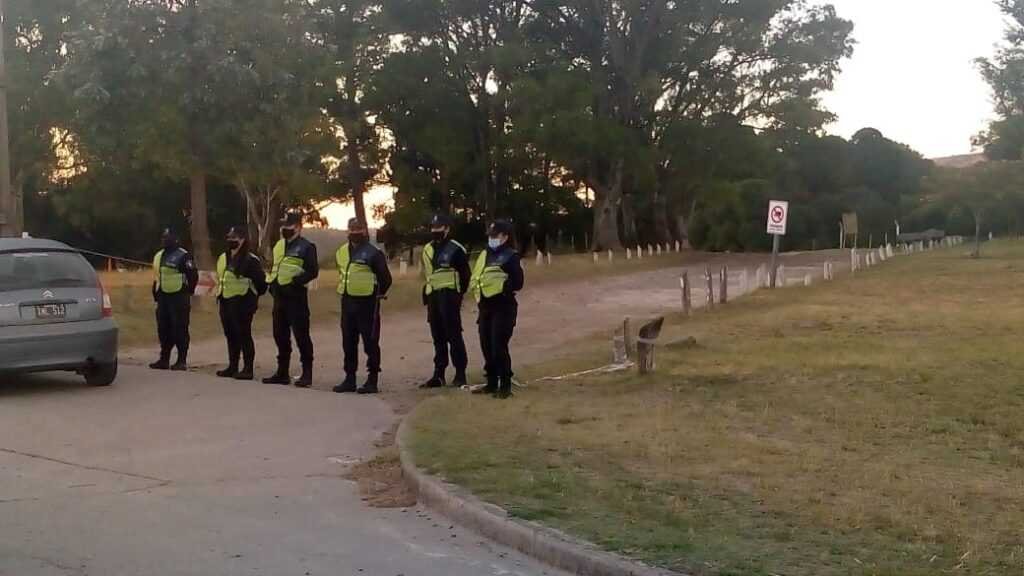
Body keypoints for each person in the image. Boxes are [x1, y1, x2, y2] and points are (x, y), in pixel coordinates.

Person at [333, 218, 392, 395]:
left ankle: (372, 379)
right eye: (352, 229)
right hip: (347, 301)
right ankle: (349, 378)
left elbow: (386, 279)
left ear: (365, 231)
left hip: (368, 303)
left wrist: (377, 293)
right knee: (348, 341)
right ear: (347, 231)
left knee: (370, 342)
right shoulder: (341, 252)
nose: (355, 232)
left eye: (358, 229)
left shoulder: (373, 253)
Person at [263, 211, 319, 388]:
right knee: (280, 335)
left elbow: (313, 271)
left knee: (301, 335)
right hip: (279, 297)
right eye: (284, 226)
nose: (285, 229)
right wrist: (272, 285)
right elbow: (276, 267)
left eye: (289, 226)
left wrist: (297, 281)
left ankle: (307, 373)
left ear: (298, 227)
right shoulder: (279, 245)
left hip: (296, 297)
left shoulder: (307, 247)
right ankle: (282, 372)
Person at [470, 220, 524, 399]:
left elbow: (518, 282)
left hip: (503, 306)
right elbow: (476, 277)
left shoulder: (511, 256)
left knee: (498, 346)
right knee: (485, 344)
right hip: (485, 307)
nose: (492, 239)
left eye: (496, 236)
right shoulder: (485, 254)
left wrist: (502, 288)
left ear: (505, 237)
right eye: (490, 236)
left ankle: (505, 385)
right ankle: (491, 382)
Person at [419, 213, 470, 389]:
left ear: (447, 229)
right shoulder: (427, 249)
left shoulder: (456, 249)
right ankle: (438, 375)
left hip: (449, 297)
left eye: (439, 228)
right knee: (437, 337)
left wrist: (458, 296)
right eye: (433, 228)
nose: (435, 231)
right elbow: (428, 274)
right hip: (433, 297)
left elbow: (465, 276)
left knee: (454, 336)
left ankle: (460, 374)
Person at [215, 226, 268, 381]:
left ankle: (248, 368)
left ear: (243, 240)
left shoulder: (250, 260)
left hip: (243, 302)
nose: (231, 240)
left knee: (244, 334)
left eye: (235, 238)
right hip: (225, 300)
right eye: (229, 237)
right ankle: (233, 366)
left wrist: (252, 298)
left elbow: (261, 284)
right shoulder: (223, 257)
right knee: (230, 334)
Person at [149, 227, 199, 371]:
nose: (165, 240)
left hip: (179, 296)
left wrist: (188, 291)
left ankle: (181, 360)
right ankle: (164, 359)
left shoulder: (184, 255)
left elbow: (193, 276)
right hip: (163, 296)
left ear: (176, 239)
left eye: (168, 237)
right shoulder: (159, 255)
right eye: (163, 237)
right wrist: (155, 293)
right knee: (163, 328)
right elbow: (157, 276)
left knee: (180, 328)